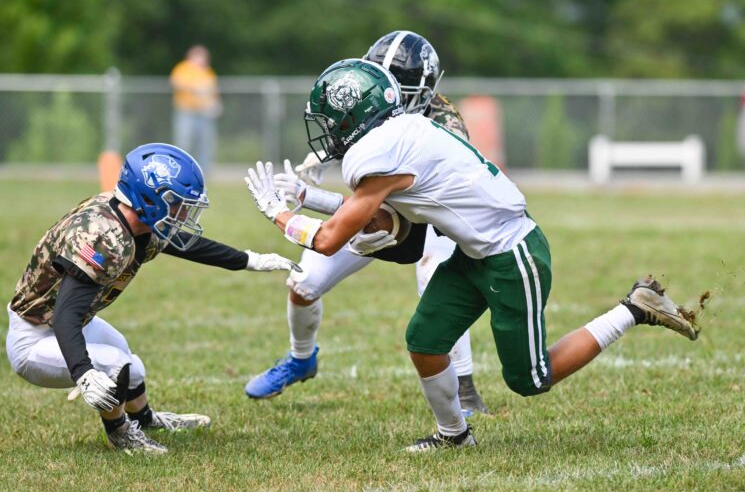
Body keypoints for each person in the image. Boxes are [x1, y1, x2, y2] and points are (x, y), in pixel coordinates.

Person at [245, 59, 700, 451]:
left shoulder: (377, 154)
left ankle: (634, 308)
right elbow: (381, 218)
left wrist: (276, 213)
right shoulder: (401, 131)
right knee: (425, 340)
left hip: (511, 253)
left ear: (356, 117)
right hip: (474, 252)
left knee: (530, 379)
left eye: (332, 120)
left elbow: (329, 239)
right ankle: (455, 435)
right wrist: (308, 197)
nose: (328, 130)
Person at [244, 31, 488, 416]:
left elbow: (392, 210)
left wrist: (308, 198)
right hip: (375, 208)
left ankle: (465, 386)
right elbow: (369, 200)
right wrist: (320, 163)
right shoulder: (367, 96)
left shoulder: (443, 125)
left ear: (423, 93)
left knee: (434, 277)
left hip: (431, 214)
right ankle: (301, 358)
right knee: (304, 282)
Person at [5, 143, 297, 454]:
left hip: (72, 322)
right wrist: (84, 372)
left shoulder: (133, 217)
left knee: (132, 366)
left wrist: (249, 260)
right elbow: (66, 315)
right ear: (149, 198)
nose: (183, 212)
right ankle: (119, 434)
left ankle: (143, 419)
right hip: (35, 336)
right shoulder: (103, 238)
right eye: (177, 203)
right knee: (115, 364)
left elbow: (185, 244)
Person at [170, 45, 222, 173]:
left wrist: (216, 104)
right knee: (184, 142)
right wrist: (194, 88)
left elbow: (213, 91)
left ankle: (203, 171)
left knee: (205, 144)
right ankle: (181, 169)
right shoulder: (183, 68)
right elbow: (175, 82)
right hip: (187, 112)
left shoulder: (208, 71)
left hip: (204, 113)